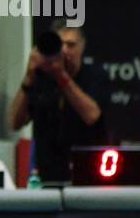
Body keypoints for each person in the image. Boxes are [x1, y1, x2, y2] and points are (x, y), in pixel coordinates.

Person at [8, 18, 107, 184]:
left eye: (71, 45)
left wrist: (61, 76)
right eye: (60, 45)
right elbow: (14, 122)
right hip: (47, 176)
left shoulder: (95, 75)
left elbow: (92, 116)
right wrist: (29, 76)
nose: (65, 50)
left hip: (88, 174)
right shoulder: (41, 79)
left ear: (82, 46)